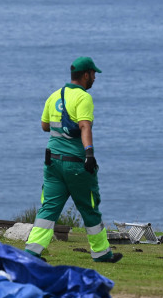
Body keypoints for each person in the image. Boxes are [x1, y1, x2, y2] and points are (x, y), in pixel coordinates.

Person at [24, 56, 122, 263]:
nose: (95, 78)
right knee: (89, 206)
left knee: (48, 207)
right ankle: (102, 252)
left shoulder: (54, 96)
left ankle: (32, 252)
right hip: (75, 163)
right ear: (86, 74)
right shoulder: (83, 98)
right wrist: (89, 154)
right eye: (94, 74)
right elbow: (85, 126)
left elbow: (44, 126)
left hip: (52, 162)